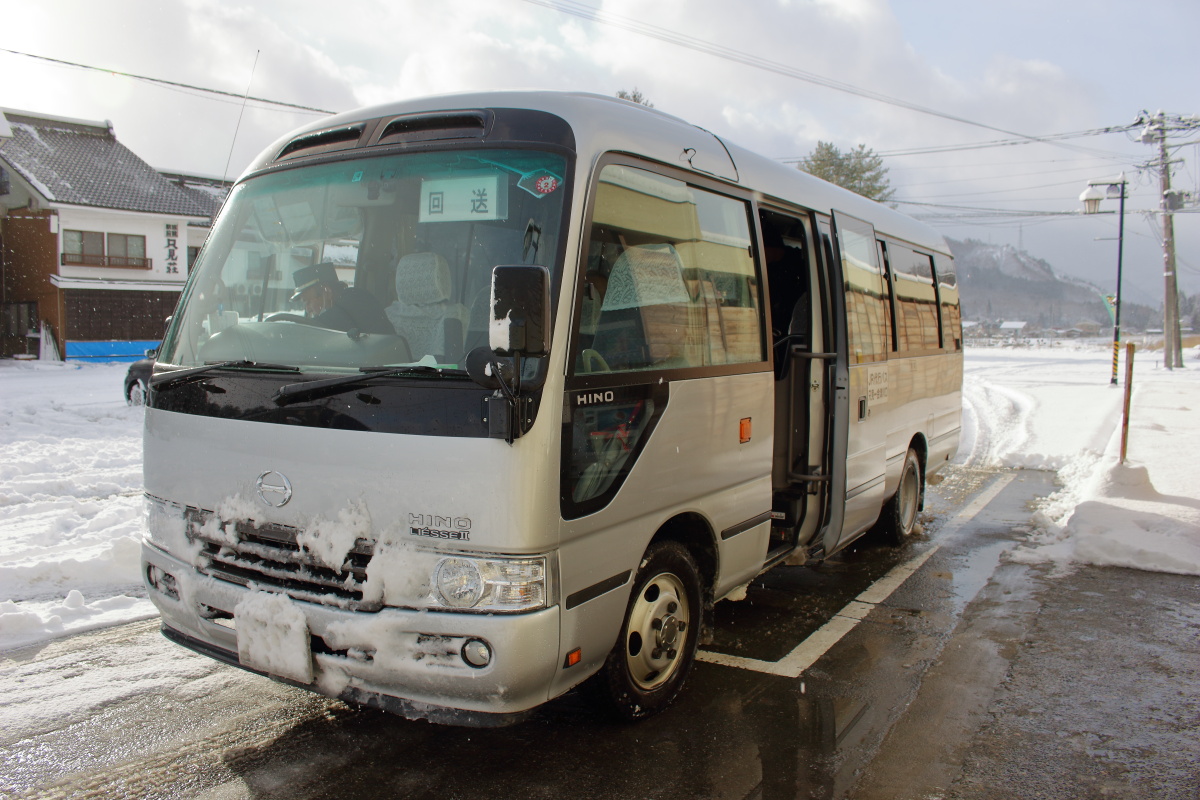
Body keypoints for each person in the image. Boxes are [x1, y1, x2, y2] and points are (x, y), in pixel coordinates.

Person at [290, 262, 393, 335]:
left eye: (308, 302)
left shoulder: (352, 301)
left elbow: (313, 330)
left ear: (326, 291)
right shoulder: (350, 297)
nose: (307, 309)